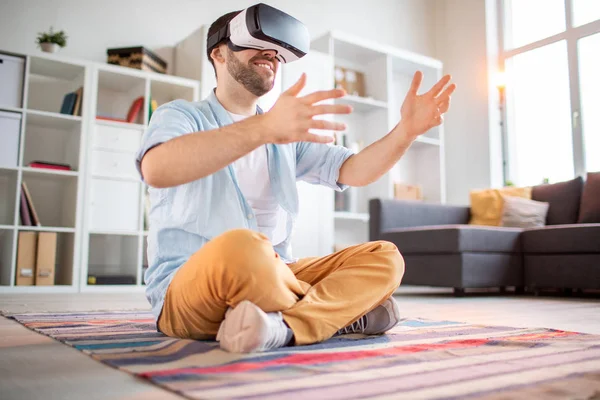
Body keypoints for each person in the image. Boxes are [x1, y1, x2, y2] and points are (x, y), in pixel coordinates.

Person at [135, 6, 456, 354]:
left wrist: (406, 132)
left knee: (385, 257)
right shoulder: (180, 115)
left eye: (275, 51)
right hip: (193, 286)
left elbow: (355, 170)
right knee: (245, 247)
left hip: (279, 274)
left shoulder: (285, 134)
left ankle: (281, 328)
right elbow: (157, 168)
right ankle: (341, 316)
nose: (270, 55)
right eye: (255, 44)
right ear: (218, 53)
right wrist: (265, 127)